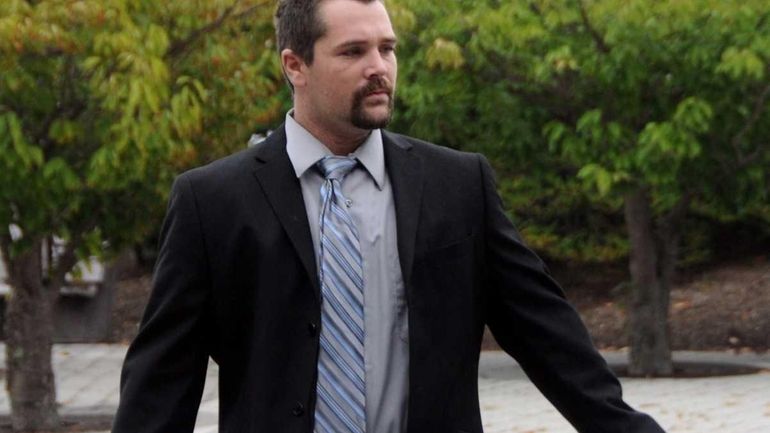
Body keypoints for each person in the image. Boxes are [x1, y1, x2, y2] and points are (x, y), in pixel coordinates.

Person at [113, 0, 666, 432]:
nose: (379, 68)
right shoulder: (211, 201)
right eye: (354, 52)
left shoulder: (458, 184)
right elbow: (163, 383)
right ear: (294, 65)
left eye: (388, 48)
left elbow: (548, 337)